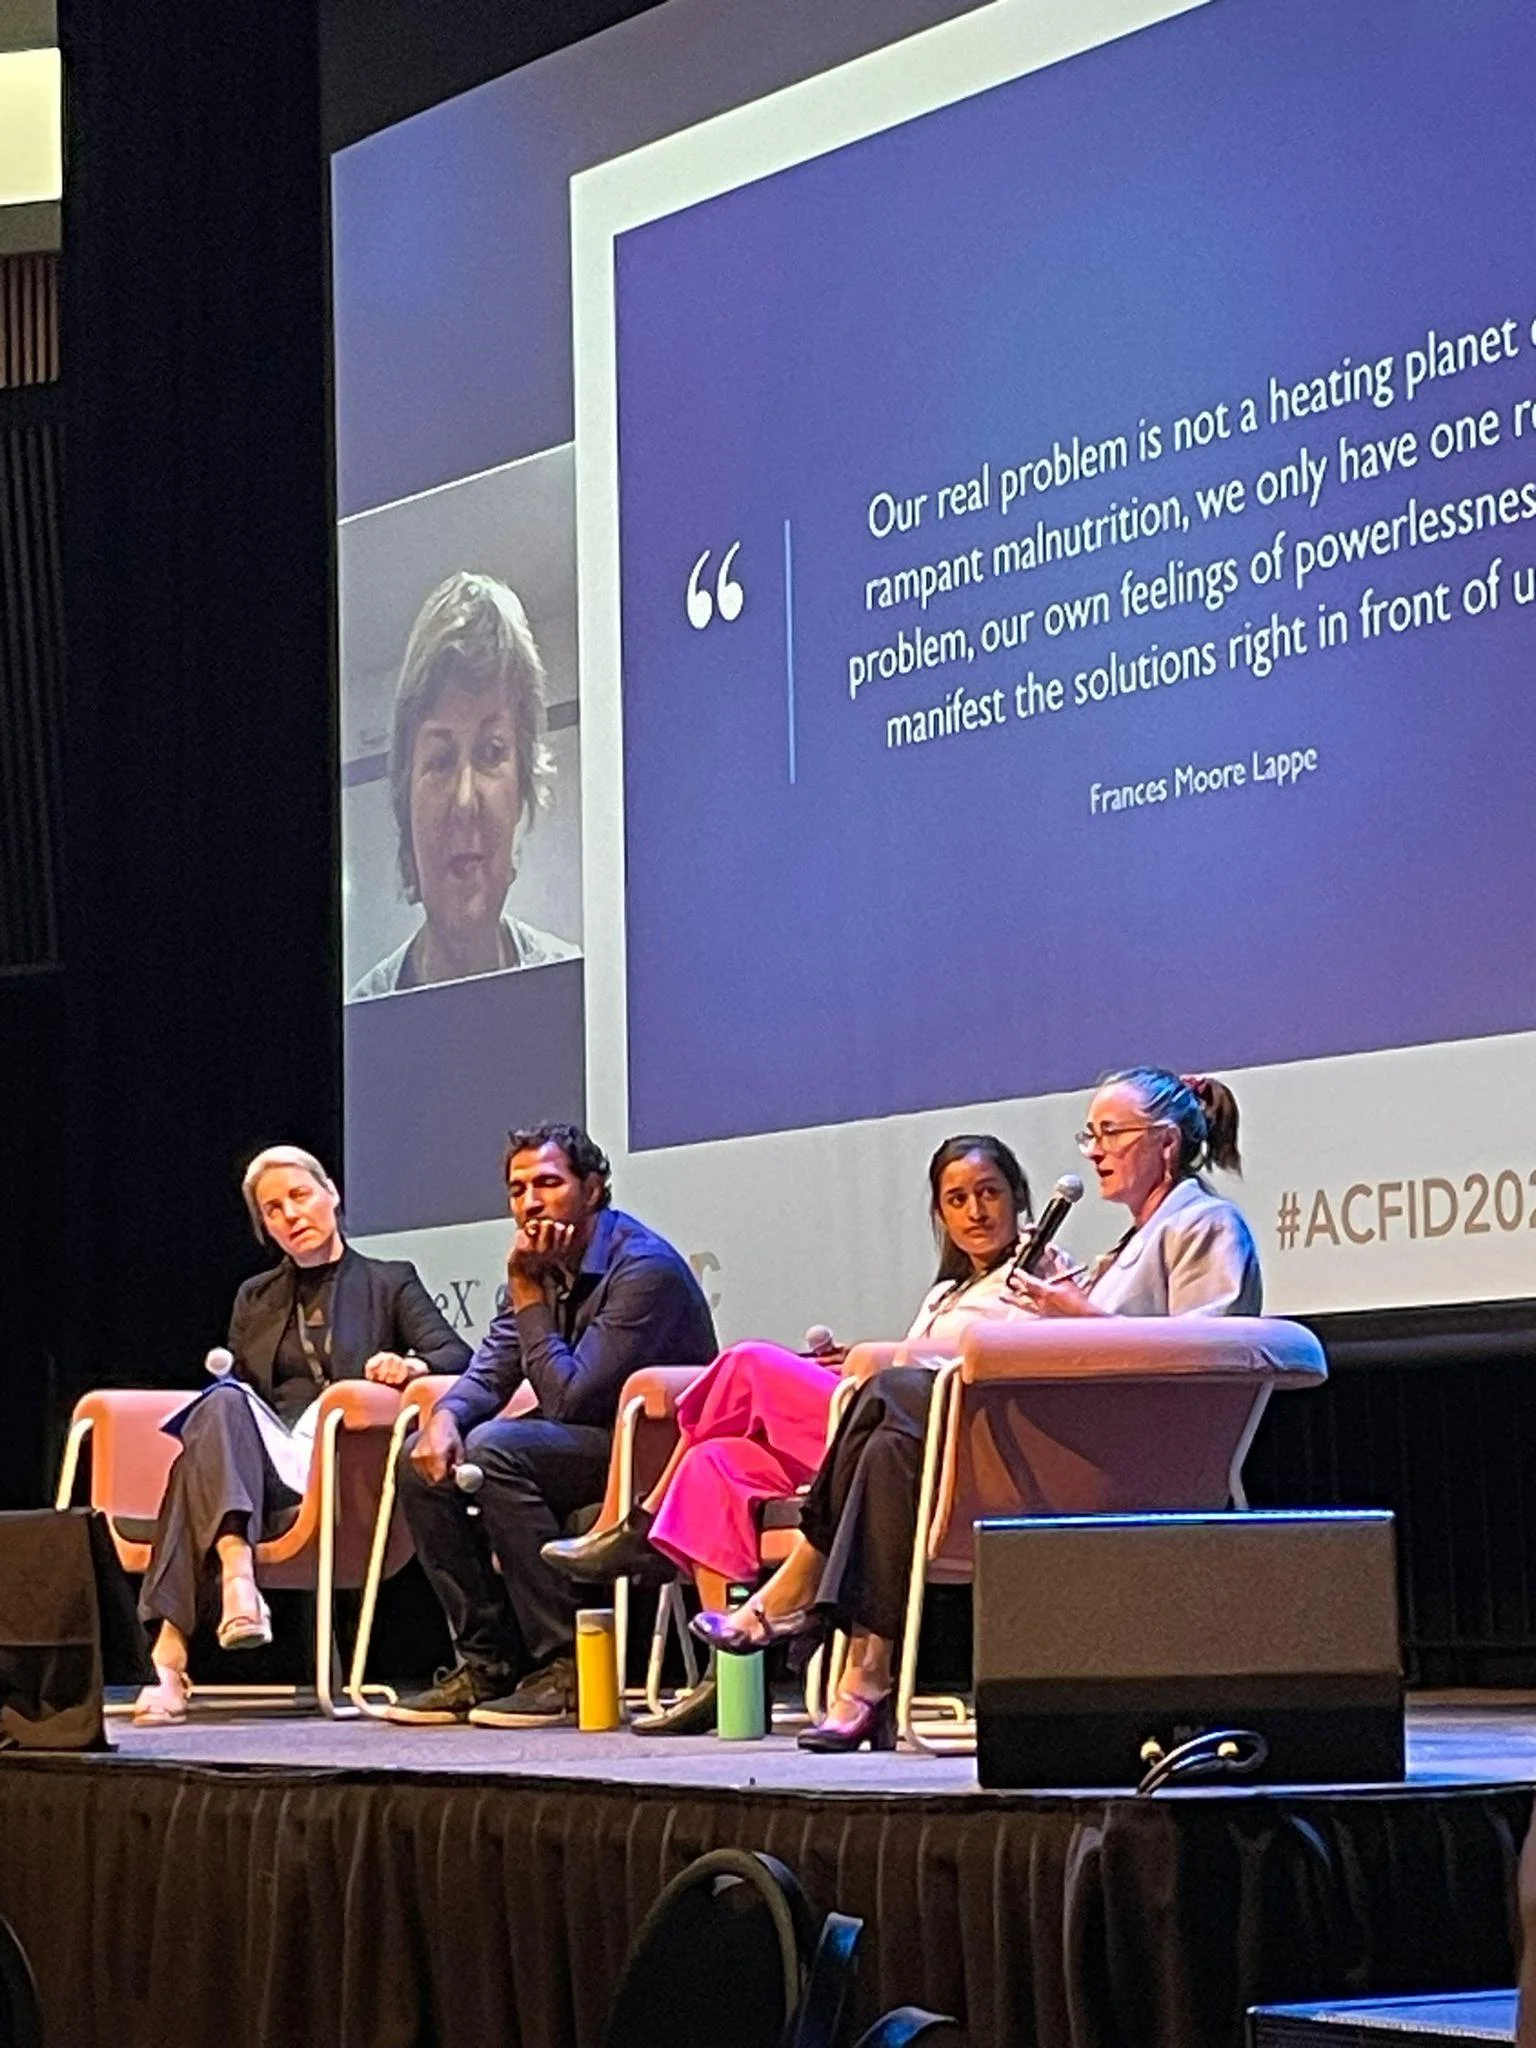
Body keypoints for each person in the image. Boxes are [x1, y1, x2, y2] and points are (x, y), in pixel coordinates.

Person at [693, 1069, 1261, 1753]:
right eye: (1092, 1134)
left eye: (1110, 1133)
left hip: (1118, 1465)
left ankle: (804, 1597)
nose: (1094, 1150)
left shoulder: (1203, 1224)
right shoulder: (1135, 1240)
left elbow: (1212, 1353)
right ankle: (863, 1679)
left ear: (1165, 1144)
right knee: (888, 1441)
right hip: (1064, 1443)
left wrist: (1071, 1313)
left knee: (892, 1391)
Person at [541, 1132, 1041, 1734]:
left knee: (749, 1364)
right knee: (717, 1464)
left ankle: (639, 1521)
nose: (976, 1212)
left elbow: (986, 1362)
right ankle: (726, 1673)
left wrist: (887, 1359)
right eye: (956, 1200)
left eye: (989, 1194)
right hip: (870, 1436)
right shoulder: (946, 1291)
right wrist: (862, 1356)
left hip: (943, 1447)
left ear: (1018, 1198)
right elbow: (917, 1361)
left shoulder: (1037, 1279)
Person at [385, 1122, 718, 1728]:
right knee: (423, 1458)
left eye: (547, 1183)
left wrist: (523, 1289)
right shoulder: (544, 1265)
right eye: (517, 1190)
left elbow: (569, 1398)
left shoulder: (643, 1269)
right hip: (580, 1445)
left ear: (591, 1190)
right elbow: (492, 1370)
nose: (530, 1203)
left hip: (650, 1462)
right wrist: (444, 1418)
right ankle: (486, 1663)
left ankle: (564, 1666)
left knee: (495, 1450)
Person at [132, 1146, 471, 1725]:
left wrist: (409, 1367)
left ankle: (169, 1660)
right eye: (272, 1209)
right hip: (263, 1464)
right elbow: (237, 1390)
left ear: (331, 1193)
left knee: (200, 1451)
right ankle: (235, 1576)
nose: (289, 1215)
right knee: (220, 1405)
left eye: (299, 1196)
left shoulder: (390, 1282)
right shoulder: (254, 1297)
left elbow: (455, 1354)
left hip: (336, 1464)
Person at [350, 571, 578, 998]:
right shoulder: (362, 1020)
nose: (465, 799)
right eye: (440, 760)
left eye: (491, 753)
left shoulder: (575, 995)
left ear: (522, 788)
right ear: (406, 798)